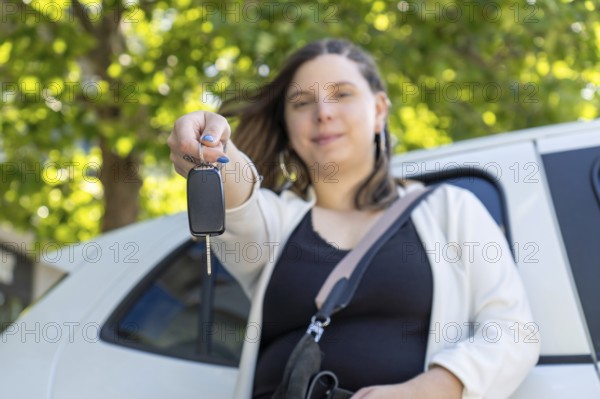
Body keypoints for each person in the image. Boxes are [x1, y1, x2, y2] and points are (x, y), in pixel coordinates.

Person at [168, 38, 540, 399]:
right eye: (301, 102)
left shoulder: (451, 209)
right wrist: (212, 145)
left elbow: (514, 331)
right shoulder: (279, 223)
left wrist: (429, 390)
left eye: (342, 94)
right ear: (288, 126)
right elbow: (239, 203)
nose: (323, 112)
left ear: (379, 110)